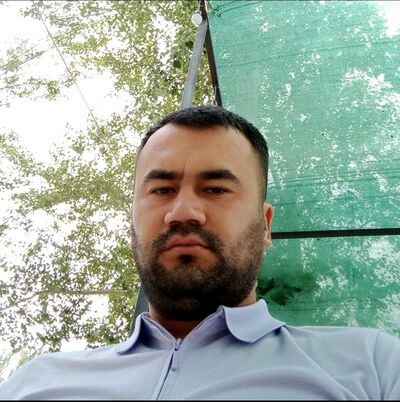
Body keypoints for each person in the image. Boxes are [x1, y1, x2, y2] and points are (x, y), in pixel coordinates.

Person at [1, 105, 400, 400]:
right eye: (161, 190)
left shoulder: (372, 366)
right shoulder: (37, 382)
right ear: (132, 223)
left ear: (265, 226)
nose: (182, 212)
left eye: (215, 189)